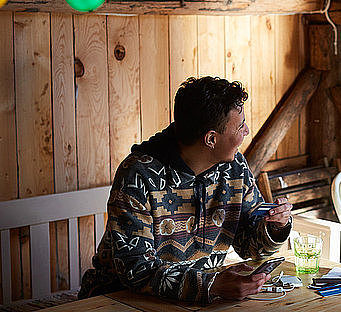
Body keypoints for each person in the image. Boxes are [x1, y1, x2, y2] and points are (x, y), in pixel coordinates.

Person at [79, 77, 293, 304]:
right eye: (240, 126)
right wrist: (210, 286)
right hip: (118, 299)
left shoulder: (235, 167)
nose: (247, 131)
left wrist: (276, 227)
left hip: (189, 301)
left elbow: (249, 246)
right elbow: (137, 270)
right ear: (211, 138)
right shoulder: (139, 174)